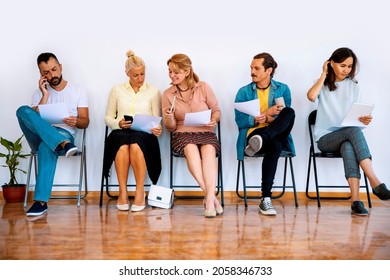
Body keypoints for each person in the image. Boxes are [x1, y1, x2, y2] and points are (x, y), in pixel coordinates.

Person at [307, 47, 390, 216]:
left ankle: (356, 201)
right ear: (331, 64)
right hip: (325, 139)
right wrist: (324, 74)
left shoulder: (354, 86)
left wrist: (364, 119)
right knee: (352, 133)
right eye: (342, 65)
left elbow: (356, 116)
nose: (346, 70)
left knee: (348, 146)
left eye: (350, 66)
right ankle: (375, 181)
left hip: (347, 136)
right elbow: (310, 96)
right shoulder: (322, 84)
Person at [16, 52, 89, 217]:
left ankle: (40, 202)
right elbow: (31, 118)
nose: (52, 75)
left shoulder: (78, 90)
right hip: (42, 136)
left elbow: (85, 122)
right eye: (46, 73)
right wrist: (45, 95)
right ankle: (62, 143)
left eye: (54, 69)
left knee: (46, 146)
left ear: (60, 67)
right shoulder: (39, 93)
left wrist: (75, 121)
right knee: (22, 110)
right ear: (41, 75)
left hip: (63, 133)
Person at [162, 53, 222, 218]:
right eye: (170, 72)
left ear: (187, 72)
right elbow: (170, 127)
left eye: (176, 72)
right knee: (190, 148)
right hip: (182, 133)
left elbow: (216, 111)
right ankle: (211, 198)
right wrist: (169, 117)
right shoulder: (168, 94)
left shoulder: (203, 87)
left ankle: (209, 198)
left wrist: (213, 120)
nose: (172, 75)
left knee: (209, 149)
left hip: (205, 130)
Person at [234, 52, 295, 216]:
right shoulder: (244, 92)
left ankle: (263, 138)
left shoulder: (283, 89)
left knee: (289, 112)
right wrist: (264, 115)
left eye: (256, 68)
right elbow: (239, 121)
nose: (252, 71)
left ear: (268, 70)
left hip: (275, 131)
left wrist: (267, 117)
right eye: (251, 68)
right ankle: (266, 199)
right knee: (275, 145)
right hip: (254, 132)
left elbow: (284, 119)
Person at [103, 50, 162, 212]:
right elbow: (108, 118)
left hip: (144, 134)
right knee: (122, 146)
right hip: (121, 132)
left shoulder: (153, 91)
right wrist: (119, 123)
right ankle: (122, 191)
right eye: (136, 75)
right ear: (127, 73)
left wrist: (157, 129)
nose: (140, 79)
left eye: (143, 74)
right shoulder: (116, 90)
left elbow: (157, 119)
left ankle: (139, 191)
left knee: (136, 145)